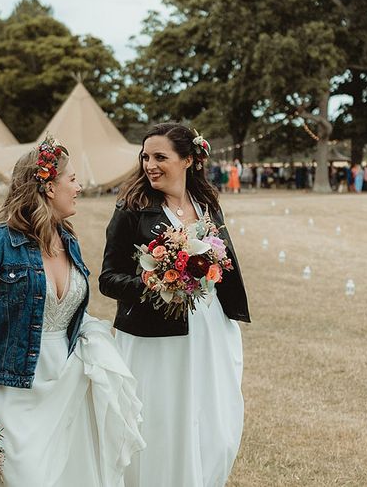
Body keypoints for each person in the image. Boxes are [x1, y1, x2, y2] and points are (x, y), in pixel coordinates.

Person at [0, 137, 144, 486]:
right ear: (48, 186)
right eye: (72, 179)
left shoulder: (68, 241)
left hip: (65, 385)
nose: (79, 187)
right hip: (6, 387)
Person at [100, 123, 250, 487]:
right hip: (157, 337)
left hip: (211, 328)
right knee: (163, 420)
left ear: (187, 160)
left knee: (216, 421)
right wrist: (155, 283)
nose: (150, 164)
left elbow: (223, 262)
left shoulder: (208, 205)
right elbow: (108, 277)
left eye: (160, 157)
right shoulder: (133, 208)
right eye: (146, 157)